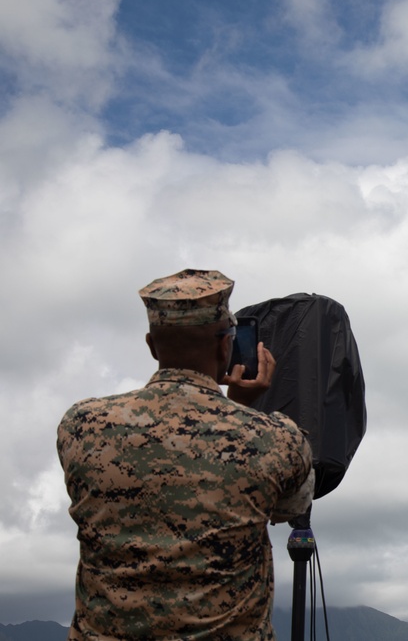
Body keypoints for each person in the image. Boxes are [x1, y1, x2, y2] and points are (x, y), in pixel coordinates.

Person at [57, 269, 315, 640]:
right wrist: (243, 411)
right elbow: (287, 508)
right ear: (225, 345)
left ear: (151, 345)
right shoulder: (272, 438)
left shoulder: (81, 425)